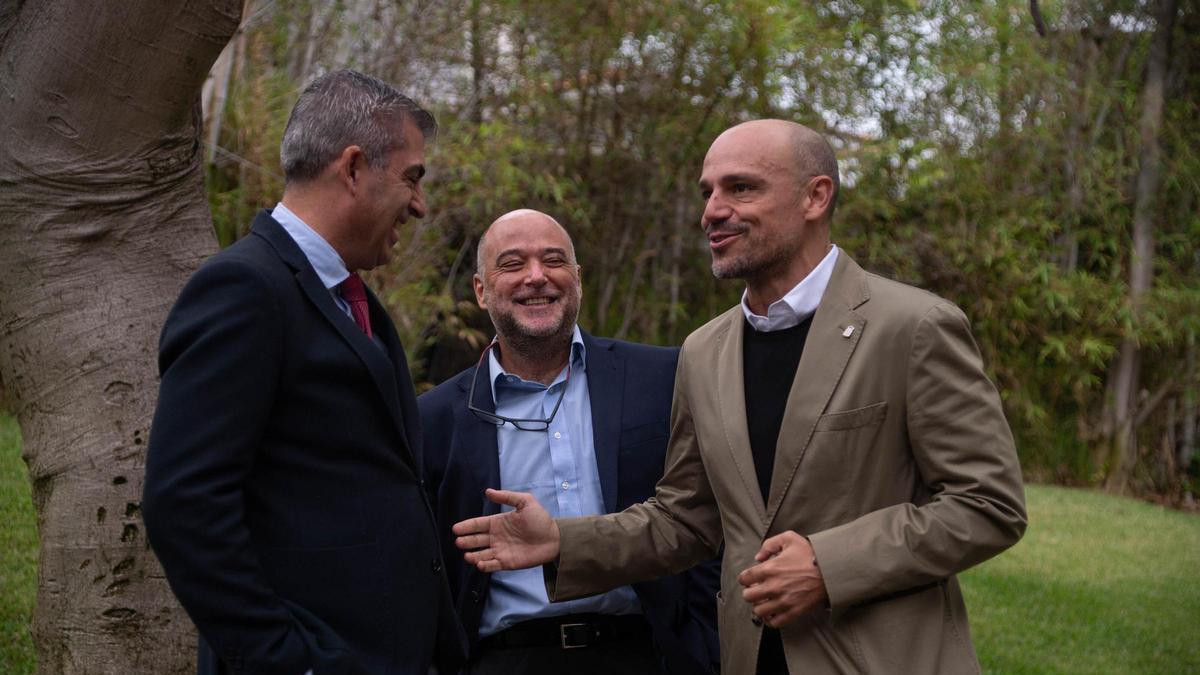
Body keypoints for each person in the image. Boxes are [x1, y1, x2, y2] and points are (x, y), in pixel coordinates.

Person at [451, 120, 1028, 674]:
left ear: (815, 197)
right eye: (708, 193)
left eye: (741, 188)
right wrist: (565, 541)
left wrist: (831, 565)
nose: (712, 211)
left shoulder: (914, 326)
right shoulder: (705, 352)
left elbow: (988, 505)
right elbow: (687, 520)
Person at [143, 70, 465, 675]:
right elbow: (184, 503)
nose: (420, 206)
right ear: (351, 168)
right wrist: (288, 662)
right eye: (411, 178)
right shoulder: (243, 288)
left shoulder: (354, 301)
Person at [418, 209, 720, 675]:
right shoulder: (434, 417)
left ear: (577, 279)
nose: (536, 277)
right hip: (504, 659)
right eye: (512, 264)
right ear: (480, 290)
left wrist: (706, 646)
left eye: (553, 260)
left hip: (648, 652)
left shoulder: (663, 377)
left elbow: (706, 514)